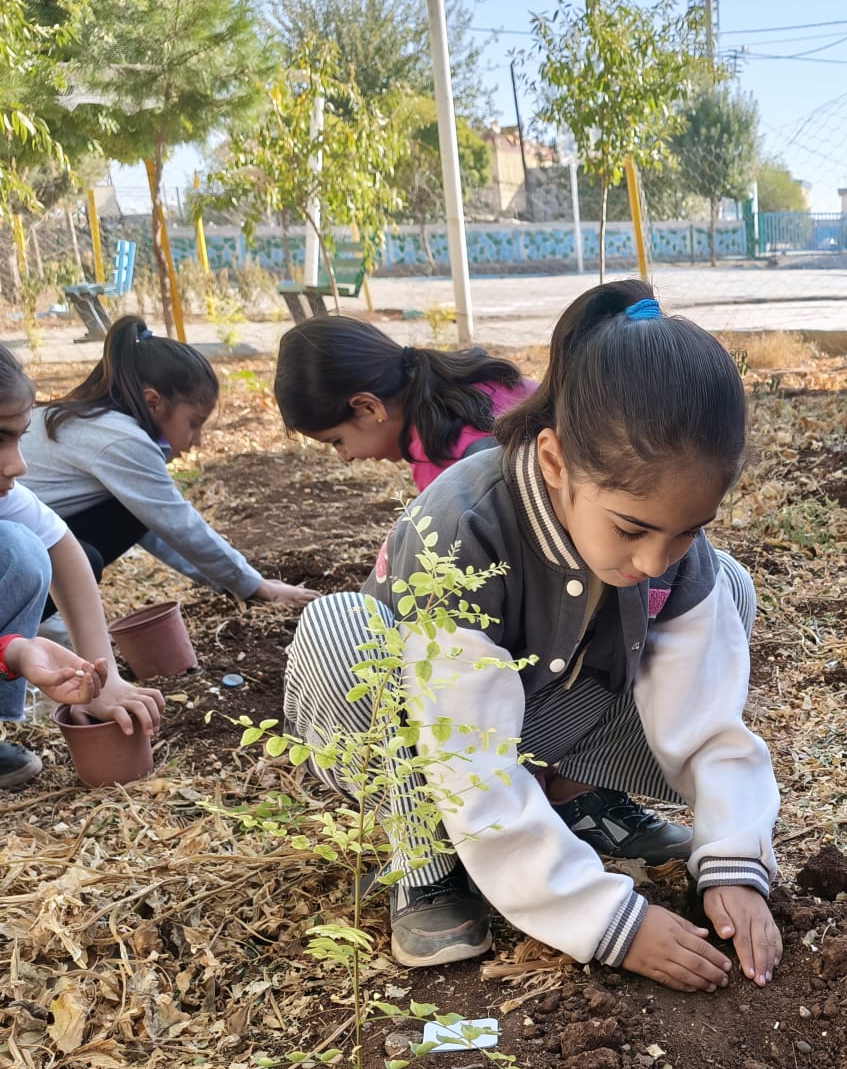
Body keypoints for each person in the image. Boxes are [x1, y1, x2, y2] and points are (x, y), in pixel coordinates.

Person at [284, 280, 782, 990]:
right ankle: (428, 868)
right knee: (341, 629)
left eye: (685, 530)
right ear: (554, 462)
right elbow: (468, 753)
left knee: (724, 583)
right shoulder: (461, 524)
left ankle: (577, 804)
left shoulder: (670, 551)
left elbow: (708, 723)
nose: (652, 561)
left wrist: (733, 859)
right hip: (427, 739)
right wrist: (606, 920)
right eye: (632, 529)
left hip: (551, 715)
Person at [20, 316, 316, 608]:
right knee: (84, 561)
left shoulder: (93, 421)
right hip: (12, 562)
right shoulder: (122, 440)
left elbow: (154, 526)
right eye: (194, 423)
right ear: (153, 402)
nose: (196, 440)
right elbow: (178, 525)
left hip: (18, 544)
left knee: (115, 526)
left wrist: (239, 585)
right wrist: (256, 586)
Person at [0, 345, 162, 789]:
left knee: (19, 549)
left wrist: (99, 672)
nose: (18, 464)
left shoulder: (7, 494)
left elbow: (61, 548)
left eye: (17, 437)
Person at [272, 315, 536, 493]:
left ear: (368, 407)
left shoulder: (443, 462)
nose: (346, 456)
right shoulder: (471, 382)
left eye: (337, 440)